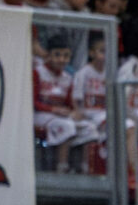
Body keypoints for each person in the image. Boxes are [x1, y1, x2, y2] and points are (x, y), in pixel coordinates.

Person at [32, 34, 97, 171]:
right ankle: (61, 168)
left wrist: (75, 112)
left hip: (59, 116)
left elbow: (69, 104)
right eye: (57, 55)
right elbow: (33, 102)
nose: (62, 59)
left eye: (66, 56)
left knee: (89, 128)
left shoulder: (68, 77)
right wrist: (53, 110)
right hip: (39, 114)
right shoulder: (38, 73)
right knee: (66, 125)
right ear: (48, 55)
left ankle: (85, 168)